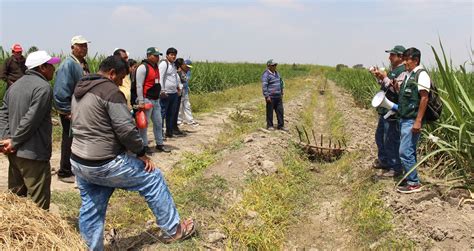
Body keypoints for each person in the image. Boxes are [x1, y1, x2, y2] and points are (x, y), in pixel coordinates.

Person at [70, 56, 195, 249]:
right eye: (121, 78)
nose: (121, 83)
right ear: (112, 73)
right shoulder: (110, 92)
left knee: (92, 206)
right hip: (104, 162)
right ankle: (174, 230)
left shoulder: (81, 88)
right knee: (152, 177)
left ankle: (90, 247)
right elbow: (126, 130)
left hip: (79, 161)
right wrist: (140, 153)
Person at [0, 51, 61, 210]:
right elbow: (31, 119)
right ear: (42, 67)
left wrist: (7, 139)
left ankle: (14, 234)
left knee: (15, 202)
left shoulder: (14, 86)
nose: (53, 69)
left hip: (14, 153)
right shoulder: (43, 88)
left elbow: (3, 113)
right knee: (38, 205)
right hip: (33, 154)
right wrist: (14, 141)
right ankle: (40, 234)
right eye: (51, 66)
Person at [53, 35, 91, 183]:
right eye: (80, 45)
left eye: (85, 46)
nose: (83, 48)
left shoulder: (82, 63)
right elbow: (61, 91)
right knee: (69, 139)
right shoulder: (68, 64)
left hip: (79, 109)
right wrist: (67, 111)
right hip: (71, 110)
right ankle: (64, 171)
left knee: (78, 139)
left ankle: (75, 168)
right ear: (72, 47)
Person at [396, 47, 429, 194]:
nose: (404, 63)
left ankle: (414, 183)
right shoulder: (410, 74)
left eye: (407, 60)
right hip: (404, 118)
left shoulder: (421, 75)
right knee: (409, 151)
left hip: (412, 120)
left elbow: (424, 97)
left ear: (415, 60)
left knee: (405, 151)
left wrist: (418, 120)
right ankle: (409, 177)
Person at [370, 45, 406, 177]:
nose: (389, 57)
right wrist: (380, 77)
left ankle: (395, 167)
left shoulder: (403, 71)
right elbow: (386, 86)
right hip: (385, 110)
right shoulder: (394, 70)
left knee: (391, 139)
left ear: (400, 57)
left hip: (393, 111)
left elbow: (398, 91)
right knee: (380, 136)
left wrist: (384, 77)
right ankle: (384, 161)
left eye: (392, 55)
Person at [135, 47, 170, 153]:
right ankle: (144, 145)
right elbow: (139, 85)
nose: (157, 57)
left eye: (158, 55)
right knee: (144, 125)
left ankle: (159, 144)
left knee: (158, 122)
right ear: (148, 55)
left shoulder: (156, 67)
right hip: (146, 100)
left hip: (156, 100)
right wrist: (141, 101)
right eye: (154, 55)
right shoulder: (143, 67)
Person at [159, 47, 183, 137]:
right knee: (162, 113)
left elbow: (174, 78)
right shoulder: (164, 64)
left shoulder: (173, 65)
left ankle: (169, 132)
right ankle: (160, 133)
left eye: (174, 55)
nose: (173, 56)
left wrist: (178, 88)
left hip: (174, 93)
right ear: (167, 55)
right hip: (166, 93)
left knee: (171, 113)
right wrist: (162, 90)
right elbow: (160, 77)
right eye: (171, 55)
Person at [262, 59, 287, 131]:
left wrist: (281, 91)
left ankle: (281, 126)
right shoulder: (266, 75)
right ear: (268, 66)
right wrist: (267, 96)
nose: (274, 66)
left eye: (275, 65)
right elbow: (264, 86)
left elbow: (280, 82)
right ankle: (270, 126)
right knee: (270, 112)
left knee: (280, 111)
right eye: (273, 65)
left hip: (278, 96)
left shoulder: (277, 73)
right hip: (270, 97)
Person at [177, 59, 199, 126]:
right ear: (183, 65)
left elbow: (186, 80)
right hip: (179, 91)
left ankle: (190, 120)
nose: (188, 68)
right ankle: (179, 121)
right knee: (180, 106)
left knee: (187, 105)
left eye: (189, 67)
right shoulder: (178, 71)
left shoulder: (188, 71)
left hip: (185, 90)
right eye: (187, 66)